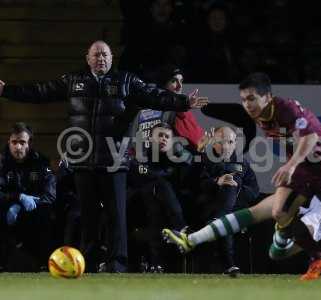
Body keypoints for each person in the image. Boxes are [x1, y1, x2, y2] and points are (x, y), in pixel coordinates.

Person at [0, 40, 208, 273]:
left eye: (106, 55)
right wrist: (6, 90)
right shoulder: (73, 80)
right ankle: (87, 263)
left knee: (116, 216)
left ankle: (116, 265)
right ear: (87, 58)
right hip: (84, 161)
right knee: (88, 215)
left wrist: (183, 102)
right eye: (97, 55)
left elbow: (154, 94)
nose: (102, 59)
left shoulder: (126, 80)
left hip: (115, 160)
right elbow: (40, 91)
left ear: (111, 59)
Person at [163, 72, 321, 280]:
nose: (247, 104)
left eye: (251, 98)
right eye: (243, 100)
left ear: (267, 97)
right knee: (279, 212)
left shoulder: (287, 108)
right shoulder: (259, 117)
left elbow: (310, 138)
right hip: (303, 168)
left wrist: (290, 165)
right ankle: (319, 257)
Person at [193, 126, 259, 276]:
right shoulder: (204, 159)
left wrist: (238, 188)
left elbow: (254, 192)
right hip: (209, 205)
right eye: (220, 142)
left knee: (231, 188)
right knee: (224, 217)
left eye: (229, 142)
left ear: (235, 143)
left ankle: (228, 263)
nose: (225, 147)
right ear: (213, 143)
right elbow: (196, 184)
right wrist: (217, 181)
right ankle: (229, 265)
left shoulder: (243, 163)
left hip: (234, 208)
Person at [129, 122, 193, 272]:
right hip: (138, 201)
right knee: (159, 185)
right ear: (151, 138)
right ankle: (181, 228)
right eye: (160, 136)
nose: (163, 139)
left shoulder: (176, 154)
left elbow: (190, 165)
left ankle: (156, 264)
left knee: (157, 207)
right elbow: (141, 175)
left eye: (167, 137)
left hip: (164, 205)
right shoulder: (141, 153)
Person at [0, 123, 56, 270]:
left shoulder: (41, 163)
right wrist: (17, 198)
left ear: (29, 143)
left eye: (22, 142)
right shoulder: (1, 163)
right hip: (6, 211)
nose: (18, 147)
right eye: (14, 142)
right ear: (9, 143)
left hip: (33, 212)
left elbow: (49, 195)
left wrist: (24, 206)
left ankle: (44, 261)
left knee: (47, 214)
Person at [131, 64, 204, 152]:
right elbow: (198, 142)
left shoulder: (180, 109)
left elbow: (198, 141)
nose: (180, 86)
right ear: (163, 83)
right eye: (174, 81)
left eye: (181, 81)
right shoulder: (141, 108)